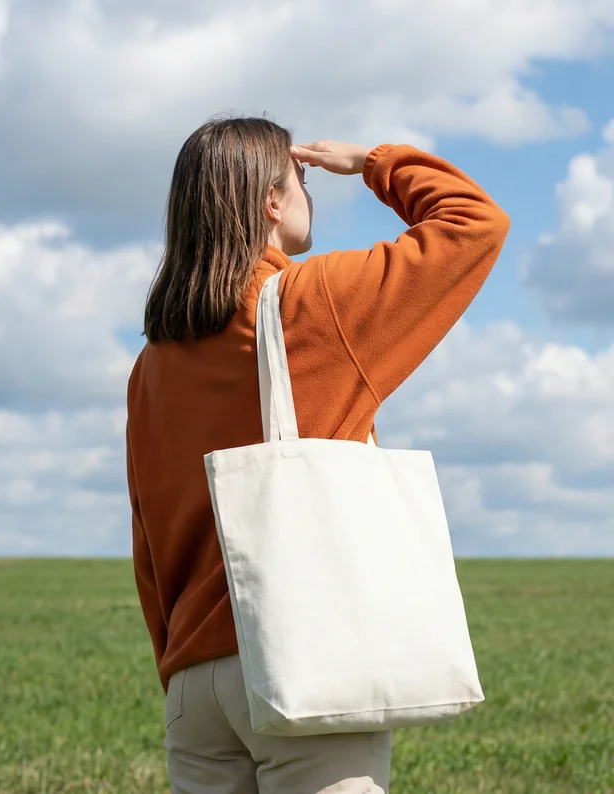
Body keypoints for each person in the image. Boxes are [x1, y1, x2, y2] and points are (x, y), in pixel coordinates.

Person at [126, 117, 510, 794]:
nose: (313, 189)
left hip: (193, 685)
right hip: (300, 658)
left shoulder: (151, 364)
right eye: (302, 178)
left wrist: (179, 666)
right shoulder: (312, 305)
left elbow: (149, 541)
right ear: (271, 201)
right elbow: (474, 223)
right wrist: (372, 161)